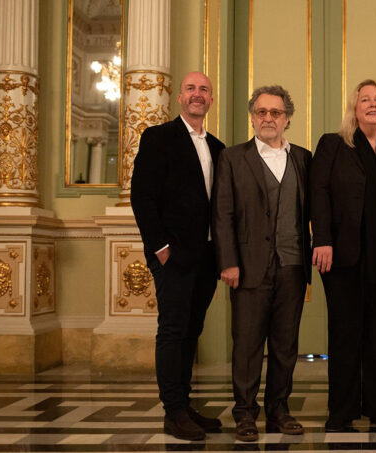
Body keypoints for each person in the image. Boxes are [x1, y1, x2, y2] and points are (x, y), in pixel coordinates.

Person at [310, 79, 376, 432]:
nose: (372, 104)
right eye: (365, 99)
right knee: (344, 335)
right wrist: (321, 239)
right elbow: (318, 192)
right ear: (354, 108)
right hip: (342, 258)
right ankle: (341, 412)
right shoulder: (334, 145)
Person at [212, 85, 312, 442]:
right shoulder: (232, 158)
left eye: (276, 112)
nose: (268, 118)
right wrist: (228, 262)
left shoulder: (303, 157)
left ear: (287, 118)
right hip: (248, 266)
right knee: (248, 344)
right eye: (261, 112)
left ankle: (279, 410)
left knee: (285, 345)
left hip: (293, 265)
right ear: (253, 117)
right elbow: (222, 213)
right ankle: (244, 413)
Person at [131, 71, 225, 441]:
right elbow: (143, 197)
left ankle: (184, 406)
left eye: (204, 89)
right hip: (173, 255)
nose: (197, 94)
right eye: (191, 89)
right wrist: (160, 249)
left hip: (206, 256)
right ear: (180, 98)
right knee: (172, 331)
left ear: (211, 100)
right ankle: (172, 411)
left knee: (192, 331)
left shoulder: (218, 147)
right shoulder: (159, 138)